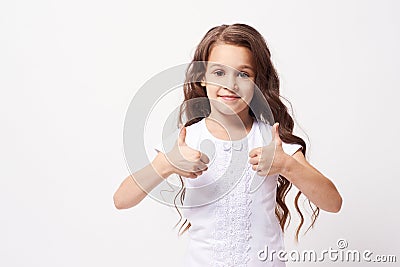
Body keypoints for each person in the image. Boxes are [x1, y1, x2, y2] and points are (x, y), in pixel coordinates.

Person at [113, 23, 342, 267]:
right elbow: (122, 199)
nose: (230, 84)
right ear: (202, 77)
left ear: (257, 82)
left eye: (243, 74)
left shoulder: (273, 141)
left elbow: (333, 202)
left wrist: (287, 165)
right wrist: (166, 164)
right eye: (219, 72)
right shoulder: (187, 140)